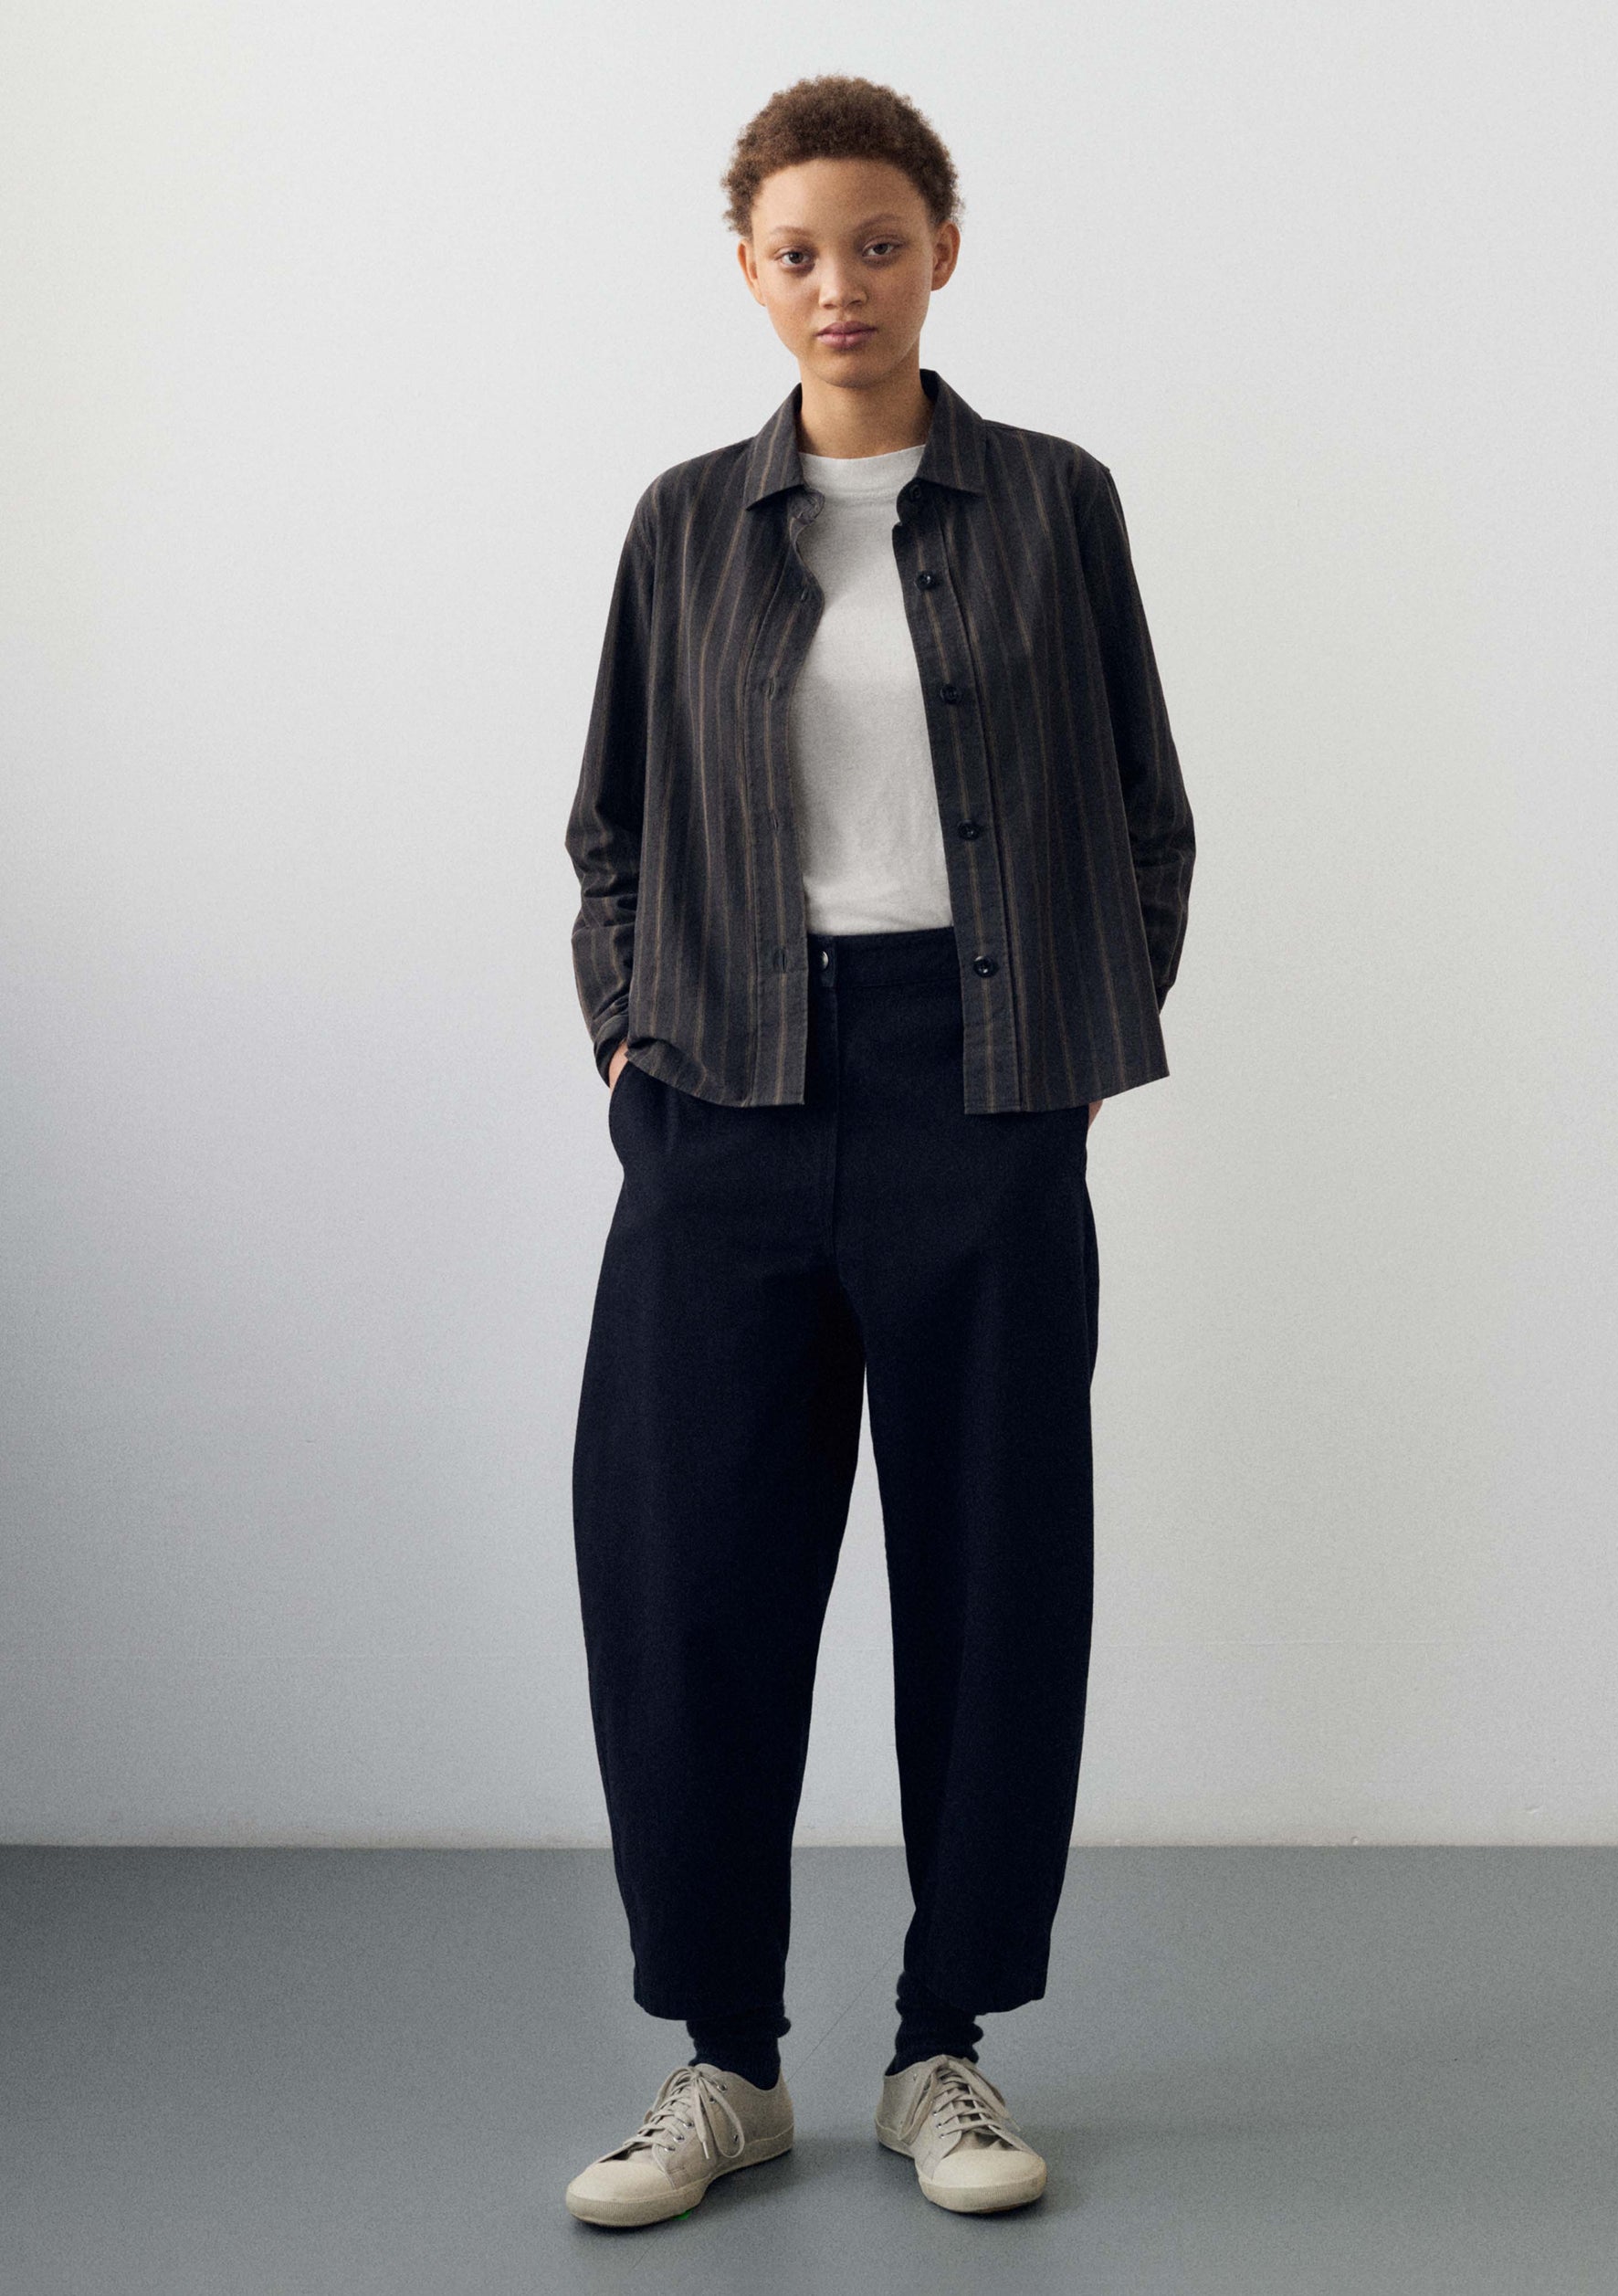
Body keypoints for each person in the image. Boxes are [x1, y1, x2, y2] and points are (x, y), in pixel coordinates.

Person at [562, 73, 1193, 2230]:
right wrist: (631, 1036)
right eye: (798, 251)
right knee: (689, 1580)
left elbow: (1141, 801)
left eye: (881, 242)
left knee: (994, 1579)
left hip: (983, 1080)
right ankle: (721, 2062)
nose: (842, 285)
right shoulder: (680, 523)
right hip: (721, 1097)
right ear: (750, 271)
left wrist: (1076, 1056)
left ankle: (949, 2049)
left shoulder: (1053, 502)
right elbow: (614, 825)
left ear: (943, 250)